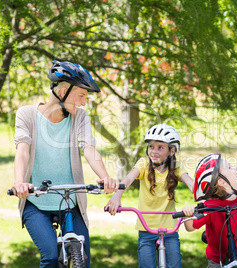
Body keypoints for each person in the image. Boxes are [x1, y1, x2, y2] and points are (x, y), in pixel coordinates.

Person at [11, 60, 119, 268]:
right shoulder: (26, 115)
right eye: (81, 95)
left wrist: (105, 177)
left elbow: (88, 148)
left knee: (83, 258)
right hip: (37, 202)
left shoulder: (79, 118)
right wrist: (19, 182)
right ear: (62, 92)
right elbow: (22, 150)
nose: (83, 102)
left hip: (71, 202)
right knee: (51, 256)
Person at [105, 123, 194, 268]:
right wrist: (117, 196)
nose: (153, 151)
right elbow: (128, 179)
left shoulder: (176, 167)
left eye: (160, 147)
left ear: (171, 151)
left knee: (175, 264)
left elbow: (191, 184)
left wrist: (202, 194)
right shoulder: (144, 164)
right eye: (151, 146)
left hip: (170, 229)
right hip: (146, 229)